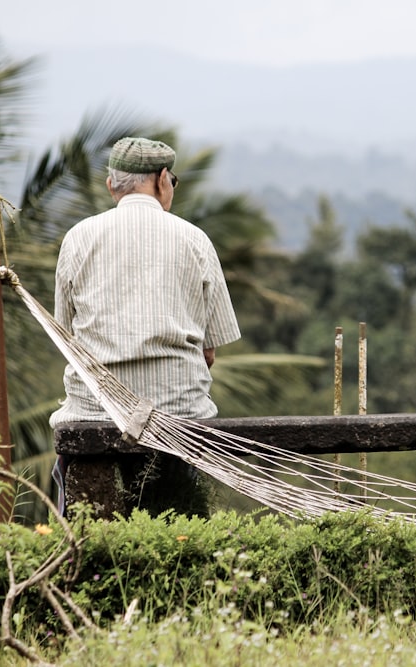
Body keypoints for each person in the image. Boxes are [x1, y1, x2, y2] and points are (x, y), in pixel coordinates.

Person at [49, 136, 241, 513]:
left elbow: (65, 337)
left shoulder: (77, 239)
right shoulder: (195, 240)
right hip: (178, 414)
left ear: (111, 186)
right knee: (183, 495)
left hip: (93, 411)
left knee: (69, 471)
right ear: (163, 179)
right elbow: (209, 352)